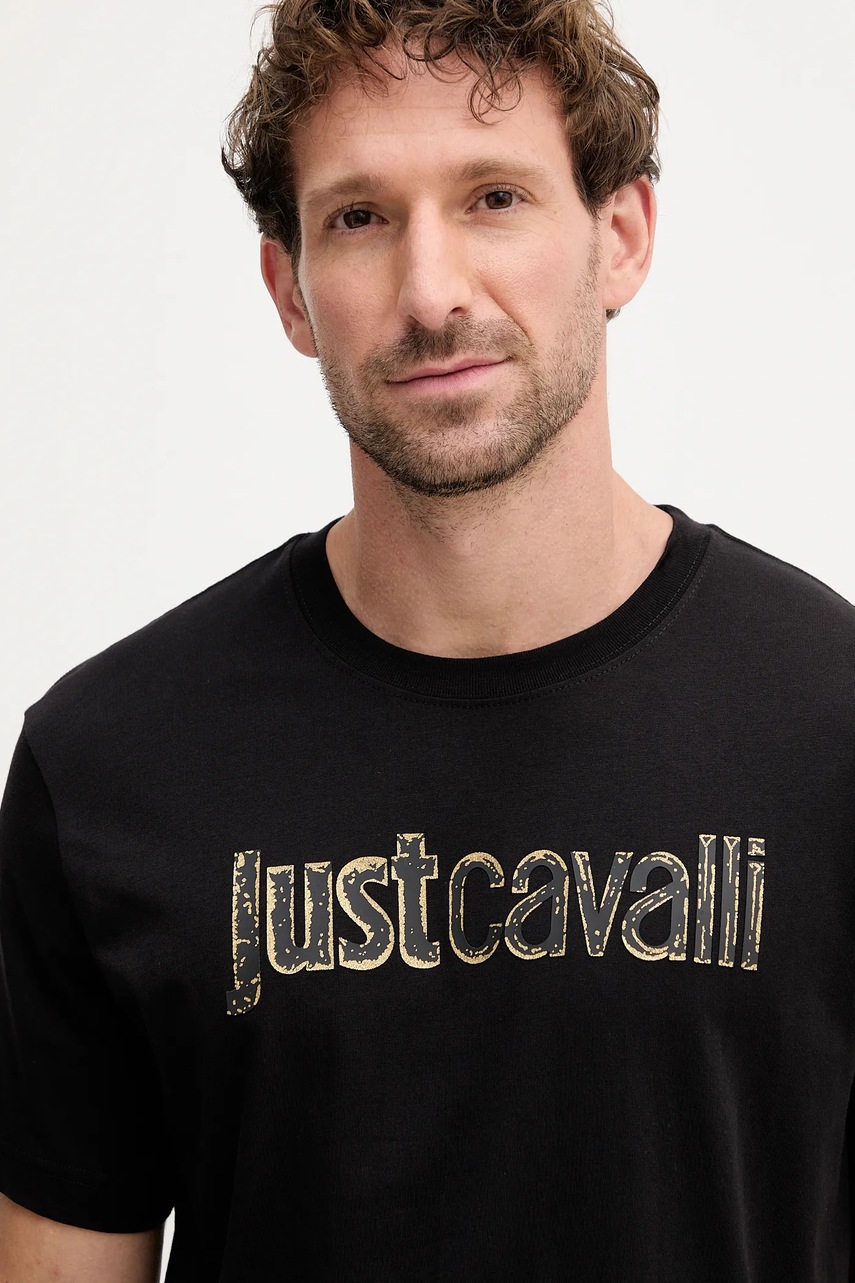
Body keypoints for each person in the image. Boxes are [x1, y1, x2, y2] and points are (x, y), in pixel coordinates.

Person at [1, 0, 853, 1279]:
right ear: (290, 290)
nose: (432, 291)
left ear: (620, 238)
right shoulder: (109, 767)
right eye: (359, 217)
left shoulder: (834, 730)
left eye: (495, 197)